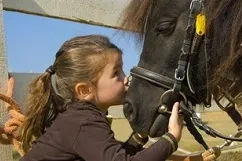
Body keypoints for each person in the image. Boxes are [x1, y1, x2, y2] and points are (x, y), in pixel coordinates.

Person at [19, 34, 183, 161]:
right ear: (84, 90)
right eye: (116, 73)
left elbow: (114, 156)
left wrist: (139, 136)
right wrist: (171, 138)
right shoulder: (84, 122)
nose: (125, 78)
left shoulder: (80, 117)